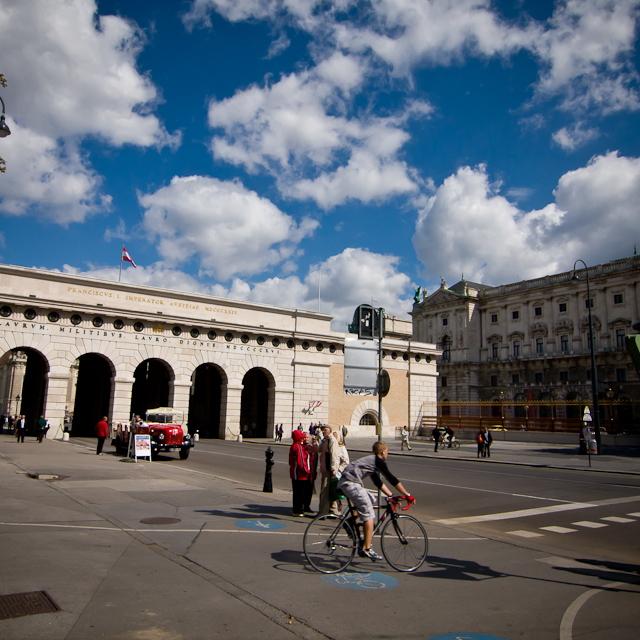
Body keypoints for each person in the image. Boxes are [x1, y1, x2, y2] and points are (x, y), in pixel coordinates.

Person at [338, 441, 414, 560]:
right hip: (351, 483)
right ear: (383, 451)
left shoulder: (371, 461)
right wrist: (407, 494)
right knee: (369, 514)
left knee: (370, 499)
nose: (387, 454)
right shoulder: (378, 461)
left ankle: (350, 521)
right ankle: (366, 548)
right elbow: (391, 478)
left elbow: (378, 482)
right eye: (387, 452)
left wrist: (391, 495)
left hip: (347, 482)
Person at [289, 429, 313, 517]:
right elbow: (301, 461)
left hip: (296, 473)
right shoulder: (298, 447)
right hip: (300, 474)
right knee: (300, 493)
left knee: (297, 492)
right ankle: (298, 510)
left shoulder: (295, 445)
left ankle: (296, 509)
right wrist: (306, 471)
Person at [317, 425, 340, 516]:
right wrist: (315, 442)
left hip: (328, 469)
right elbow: (319, 449)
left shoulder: (331, 440)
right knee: (331, 489)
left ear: (330, 431)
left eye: (325, 430)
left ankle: (323, 512)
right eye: (322, 430)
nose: (323, 432)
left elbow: (333, 455)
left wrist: (333, 469)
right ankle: (333, 511)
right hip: (326, 469)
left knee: (325, 491)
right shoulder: (325, 440)